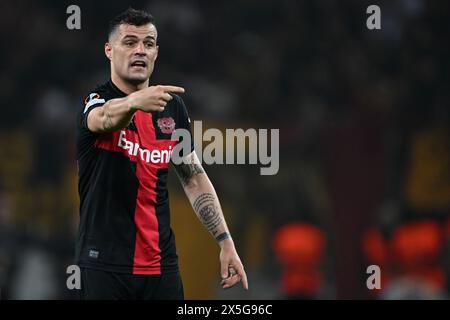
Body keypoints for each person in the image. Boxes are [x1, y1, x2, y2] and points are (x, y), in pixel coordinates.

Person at [75, 8, 248, 299]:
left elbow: (193, 177)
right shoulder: (97, 99)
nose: (140, 50)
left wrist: (225, 241)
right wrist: (133, 102)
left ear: (156, 52)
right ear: (109, 50)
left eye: (149, 43)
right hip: (103, 266)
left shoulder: (172, 108)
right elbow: (102, 119)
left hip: (161, 268)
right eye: (130, 42)